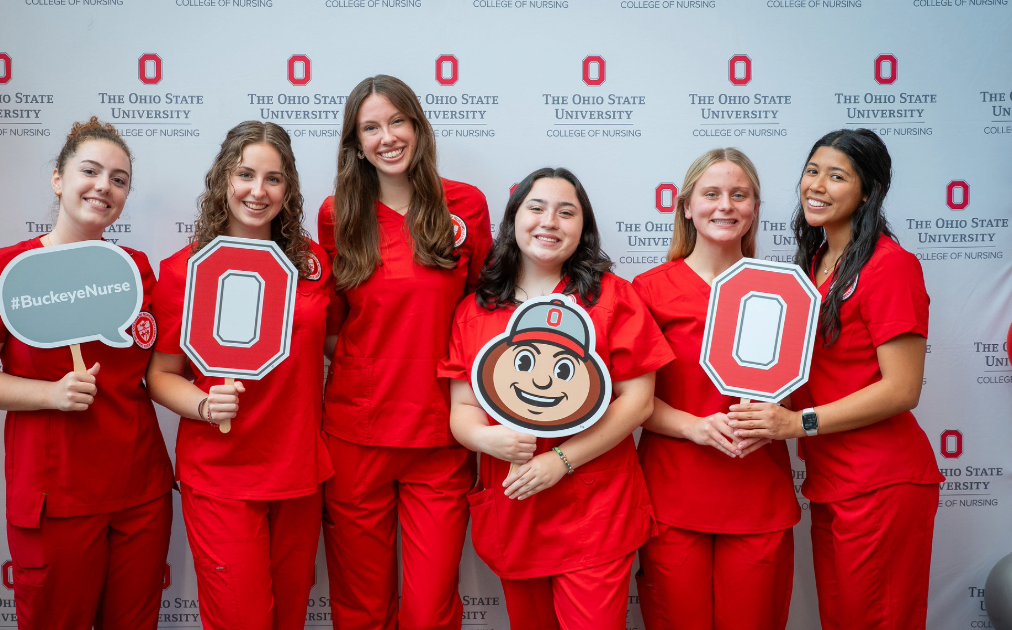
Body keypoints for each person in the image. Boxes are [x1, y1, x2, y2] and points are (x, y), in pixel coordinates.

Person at [0, 118, 173, 630]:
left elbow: (155, 365)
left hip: (141, 491)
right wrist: (49, 394)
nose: (104, 187)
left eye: (119, 179)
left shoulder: (136, 270)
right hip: (56, 500)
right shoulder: (5, 271)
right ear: (58, 179)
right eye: (90, 171)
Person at [726, 128, 943, 630]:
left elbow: (902, 388)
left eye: (837, 176)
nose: (817, 186)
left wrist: (796, 423)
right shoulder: (813, 265)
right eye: (812, 170)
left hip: (881, 481)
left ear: (867, 191)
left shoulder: (891, 266)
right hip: (830, 480)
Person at [440, 167, 674, 629]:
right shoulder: (476, 310)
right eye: (537, 208)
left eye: (567, 212)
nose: (550, 221)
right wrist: (488, 442)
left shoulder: (613, 298)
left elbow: (639, 401)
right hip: (516, 509)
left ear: (582, 229)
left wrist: (560, 461)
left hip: (594, 509)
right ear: (513, 221)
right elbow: (462, 411)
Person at [317, 74, 493, 629]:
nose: (387, 136)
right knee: (361, 608)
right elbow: (329, 326)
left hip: (441, 433)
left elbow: (483, 315)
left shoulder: (466, 205)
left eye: (397, 121)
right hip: (356, 433)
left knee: (427, 611)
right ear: (356, 142)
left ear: (417, 126)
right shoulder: (335, 213)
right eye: (371, 127)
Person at [145, 121, 335, 630]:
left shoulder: (313, 263)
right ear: (223, 180)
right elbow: (160, 375)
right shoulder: (184, 271)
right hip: (222, 473)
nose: (258, 191)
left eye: (274, 179)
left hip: (298, 472)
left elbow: (340, 344)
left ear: (288, 188)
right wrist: (203, 404)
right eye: (246, 174)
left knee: (289, 618)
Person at [631, 149, 800, 630]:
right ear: (687, 207)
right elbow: (629, 401)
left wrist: (775, 416)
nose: (725, 206)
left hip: (757, 495)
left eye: (738, 195)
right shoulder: (647, 290)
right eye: (711, 194)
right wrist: (696, 427)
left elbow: (794, 395)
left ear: (754, 209)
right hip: (673, 496)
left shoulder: (783, 289)